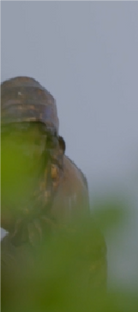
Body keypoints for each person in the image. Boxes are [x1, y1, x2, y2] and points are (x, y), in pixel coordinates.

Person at [0, 76, 106, 293]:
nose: (27, 152)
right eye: (17, 141)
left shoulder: (67, 186)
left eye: (36, 142)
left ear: (50, 144)